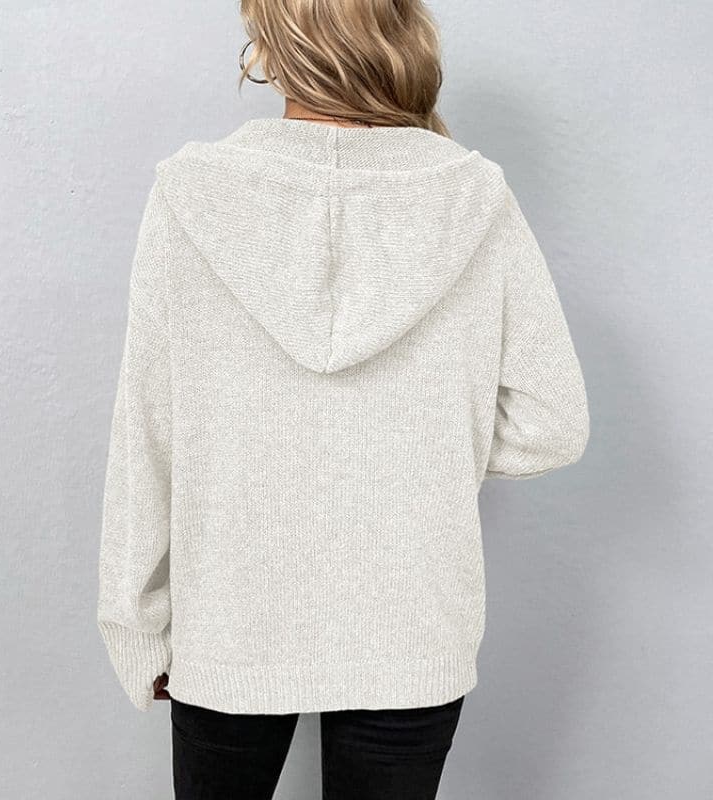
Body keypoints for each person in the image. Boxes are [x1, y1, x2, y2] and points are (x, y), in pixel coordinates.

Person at [96, 1, 590, 797]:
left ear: (272, 48)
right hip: (414, 622)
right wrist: (418, 439)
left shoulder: (191, 192)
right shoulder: (473, 194)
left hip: (230, 617)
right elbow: (551, 423)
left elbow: (147, 434)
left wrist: (136, 622)